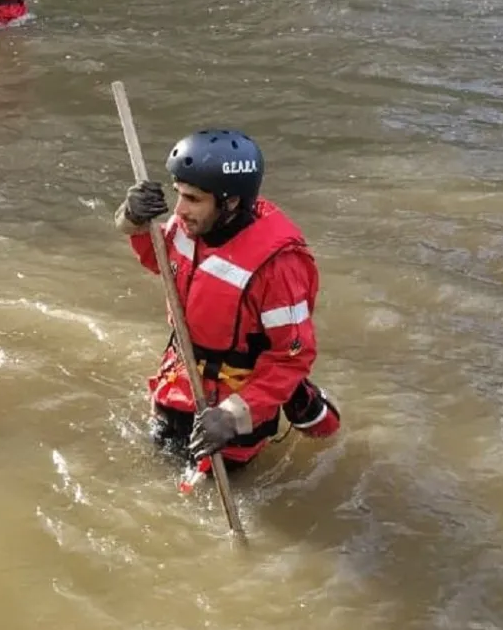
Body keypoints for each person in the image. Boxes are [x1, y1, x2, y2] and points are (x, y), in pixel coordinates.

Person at [113, 128, 341, 483]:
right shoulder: (193, 226)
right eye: (178, 195)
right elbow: (158, 260)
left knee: (219, 489)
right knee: (156, 466)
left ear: (231, 202)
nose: (179, 210)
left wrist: (232, 416)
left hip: (235, 402)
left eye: (192, 198)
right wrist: (132, 219)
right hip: (180, 380)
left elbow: (290, 357)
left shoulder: (278, 267)